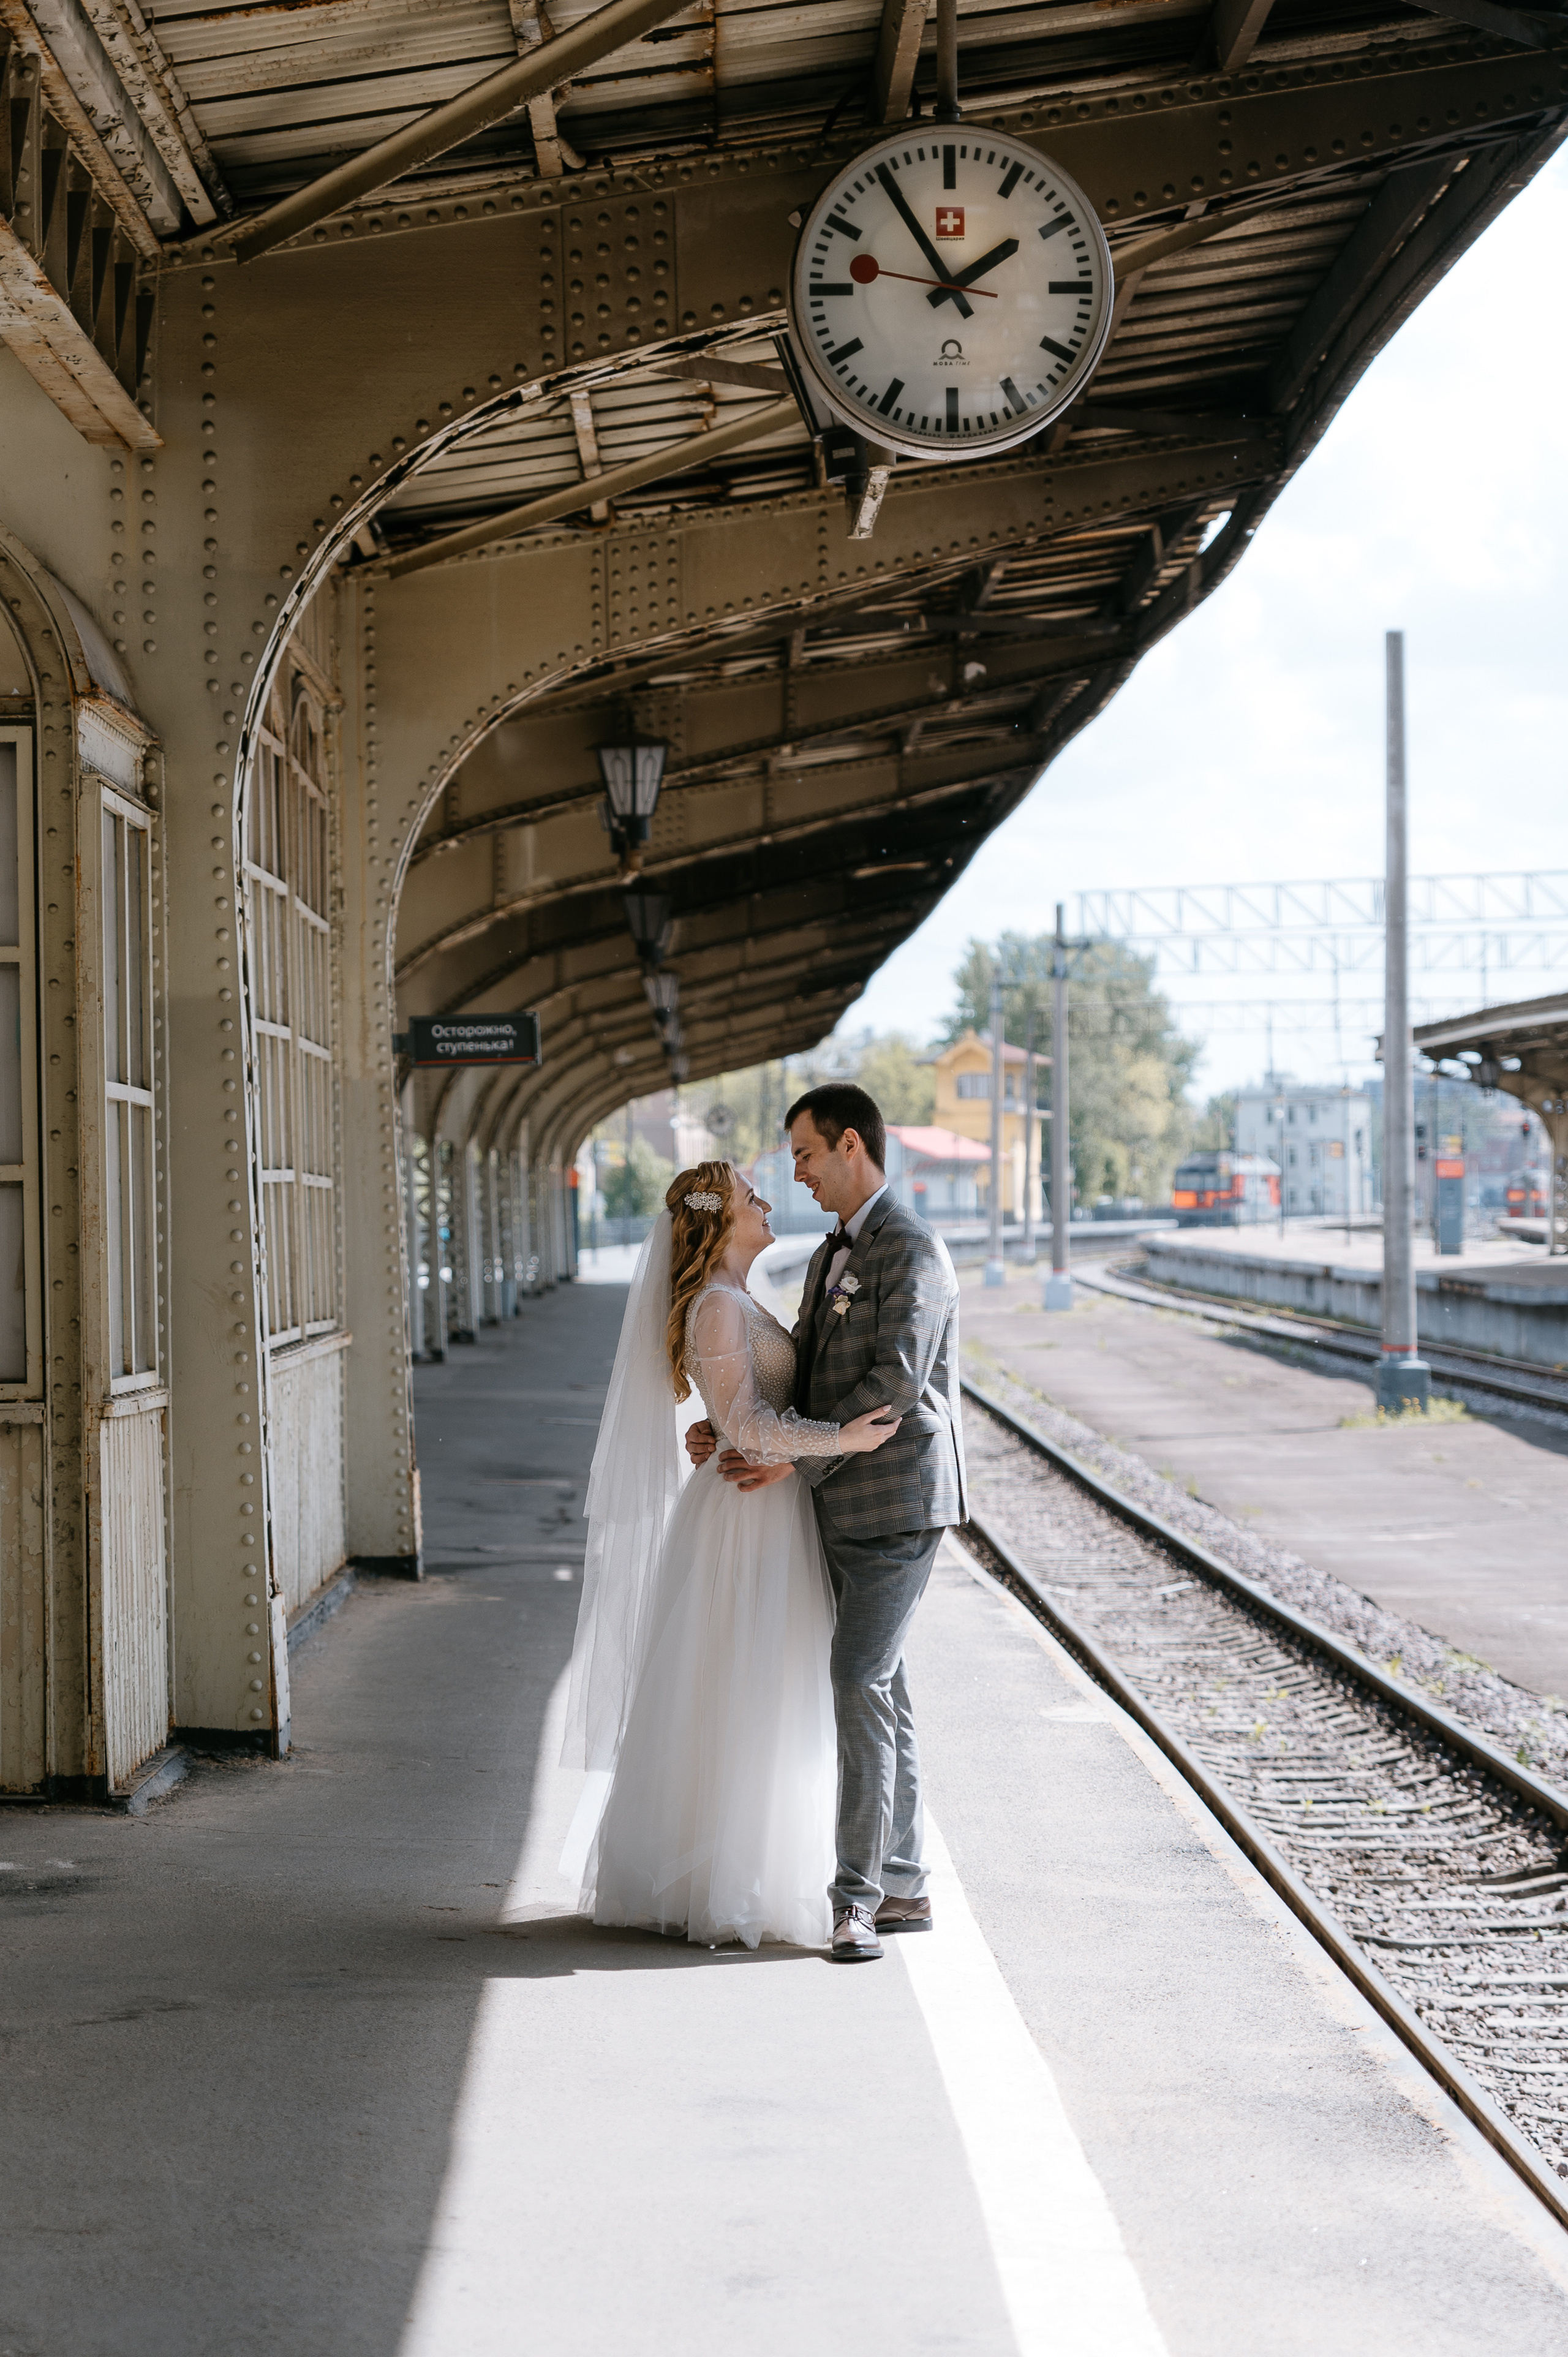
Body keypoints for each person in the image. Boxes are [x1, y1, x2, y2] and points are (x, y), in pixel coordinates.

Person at [560, 1160, 900, 1951]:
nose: (770, 1201)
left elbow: (740, 1411)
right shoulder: (718, 1305)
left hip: (767, 1504)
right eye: (753, 1197)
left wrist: (728, 1425)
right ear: (719, 1221)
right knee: (746, 1689)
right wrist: (840, 1438)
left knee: (766, 1690)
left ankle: (756, 1866)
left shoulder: (736, 1300)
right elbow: (748, 1426)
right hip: (747, 1514)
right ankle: (730, 1878)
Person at [686, 1085, 966, 1963]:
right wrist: (731, 1421)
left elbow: (895, 1390)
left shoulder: (910, 1248)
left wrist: (788, 1457)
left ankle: (857, 1900)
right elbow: (804, 1373)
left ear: (851, 1145)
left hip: (896, 1506)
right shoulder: (827, 1256)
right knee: (885, 1690)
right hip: (834, 1504)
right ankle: (907, 1884)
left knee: (855, 1680)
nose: (795, 1172)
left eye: (803, 1154)